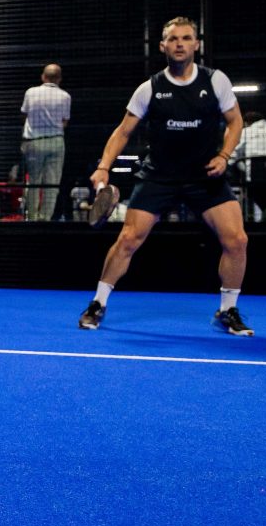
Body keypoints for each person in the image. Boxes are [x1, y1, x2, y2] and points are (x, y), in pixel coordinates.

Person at [78, 17, 253, 335]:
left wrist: (224, 156)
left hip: (204, 176)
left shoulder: (216, 81)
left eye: (186, 38)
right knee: (128, 239)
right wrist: (104, 166)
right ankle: (97, 303)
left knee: (237, 240)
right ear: (163, 46)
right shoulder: (150, 88)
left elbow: (235, 121)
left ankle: (228, 310)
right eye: (173, 39)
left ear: (196, 44)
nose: (180, 44)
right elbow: (123, 131)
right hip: (159, 175)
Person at [19, 63, 71, 220]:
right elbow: (65, 122)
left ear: (43, 76)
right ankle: (45, 218)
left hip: (34, 141)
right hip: (56, 141)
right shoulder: (65, 96)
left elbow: (24, 115)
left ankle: (32, 218)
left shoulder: (31, 92)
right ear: (59, 79)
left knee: (33, 182)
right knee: (52, 183)